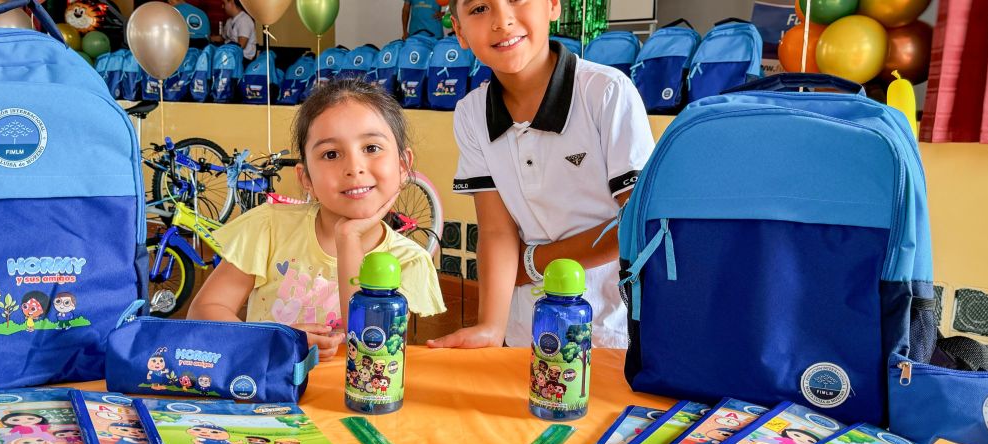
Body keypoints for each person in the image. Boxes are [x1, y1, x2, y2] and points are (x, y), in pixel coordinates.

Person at [427, 0, 654, 350]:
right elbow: (496, 229)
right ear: (459, 32)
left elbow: (636, 224)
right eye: (479, 9)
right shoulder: (471, 113)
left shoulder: (606, 92)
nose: (502, 21)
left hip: (610, 330)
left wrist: (532, 263)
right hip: (526, 330)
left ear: (552, 5)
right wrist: (490, 327)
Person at [189, 78, 446, 359]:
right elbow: (203, 312)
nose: (354, 168)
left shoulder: (408, 260)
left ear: (403, 165)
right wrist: (274, 341)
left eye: (371, 148)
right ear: (306, 178)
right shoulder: (269, 227)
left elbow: (369, 349)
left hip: (353, 400)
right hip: (270, 392)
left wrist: (348, 238)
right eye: (331, 154)